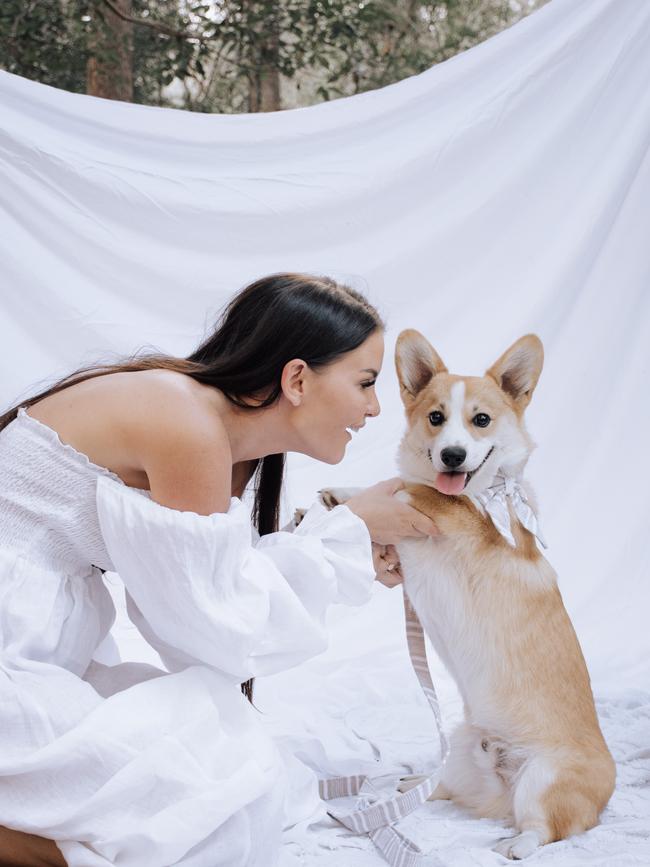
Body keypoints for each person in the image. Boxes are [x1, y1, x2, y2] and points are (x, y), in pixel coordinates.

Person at [0, 273, 437, 867]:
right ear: (298, 378)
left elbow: (206, 607)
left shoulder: (216, 433)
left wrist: (348, 542)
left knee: (226, 772)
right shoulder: (187, 422)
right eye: (365, 382)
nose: (374, 406)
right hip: (14, 647)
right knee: (213, 793)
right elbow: (210, 628)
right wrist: (348, 534)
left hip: (33, 639)